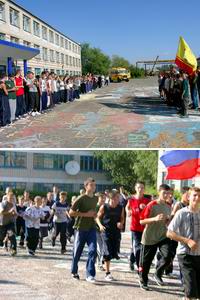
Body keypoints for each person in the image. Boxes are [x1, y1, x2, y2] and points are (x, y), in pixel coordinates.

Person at [167, 187, 200, 300]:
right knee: (191, 290)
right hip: (185, 255)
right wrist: (187, 240)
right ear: (189, 197)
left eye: (199, 196)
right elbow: (169, 233)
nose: (197, 198)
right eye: (194, 195)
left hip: (199, 255)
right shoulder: (181, 213)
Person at [138, 184, 172, 290]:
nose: (166, 195)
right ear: (159, 192)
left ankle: (157, 273)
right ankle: (143, 281)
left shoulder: (168, 206)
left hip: (162, 236)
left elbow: (167, 222)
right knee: (146, 263)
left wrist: (168, 220)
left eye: (168, 193)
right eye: (164, 193)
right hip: (149, 238)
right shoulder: (151, 204)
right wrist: (154, 219)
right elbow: (142, 221)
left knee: (167, 257)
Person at [69, 178, 98, 283]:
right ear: (86, 186)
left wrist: (97, 219)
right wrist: (86, 214)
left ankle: (90, 274)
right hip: (80, 228)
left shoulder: (95, 199)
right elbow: (71, 213)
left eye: (95, 185)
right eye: (91, 185)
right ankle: (74, 271)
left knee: (93, 250)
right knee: (77, 252)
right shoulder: (81, 198)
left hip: (91, 228)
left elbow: (94, 213)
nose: (94, 187)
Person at [96, 190, 124, 281]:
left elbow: (122, 218)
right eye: (113, 199)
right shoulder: (104, 207)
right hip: (106, 232)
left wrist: (121, 223)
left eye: (117, 199)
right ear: (110, 199)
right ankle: (107, 273)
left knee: (114, 253)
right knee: (107, 251)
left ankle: (104, 258)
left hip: (116, 232)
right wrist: (100, 225)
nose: (115, 201)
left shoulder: (120, 207)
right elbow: (97, 217)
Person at [126, 181, 149, 271]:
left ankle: (131, 261)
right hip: (135, 227)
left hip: (145, 228)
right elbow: (127, 207)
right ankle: (140, 265)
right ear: (135, 188)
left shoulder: (147, 200)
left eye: (142, 188)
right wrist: (128, 211)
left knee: (139, 246)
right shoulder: (131, 200)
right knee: (137, 247)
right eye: (138, 187)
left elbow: (151, 211)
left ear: (144, 189)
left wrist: (146, 208)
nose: (140, 189)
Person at [0, 191, 17, 256]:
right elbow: (1, 213)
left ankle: (13, 250)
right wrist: (9, 212)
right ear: (7, 197)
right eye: (10, 198)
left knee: (12, 236)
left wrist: (14, 214)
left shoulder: (13, 205)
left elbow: (15, 214)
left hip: (10, 223)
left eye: (12, 198)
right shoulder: (3, 204)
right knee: (1, 238)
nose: (11, 199)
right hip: (2, 223)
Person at [95, 192, 106, 271]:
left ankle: (99, 261)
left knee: (104, 247)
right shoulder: (96, 206)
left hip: (104, 229)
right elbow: (95, 217)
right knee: (100, 246)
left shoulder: (105, 207)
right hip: (95, 229)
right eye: (101, 198)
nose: (103, 200)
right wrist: (99, 225)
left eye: (104, 198)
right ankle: (99, 263)